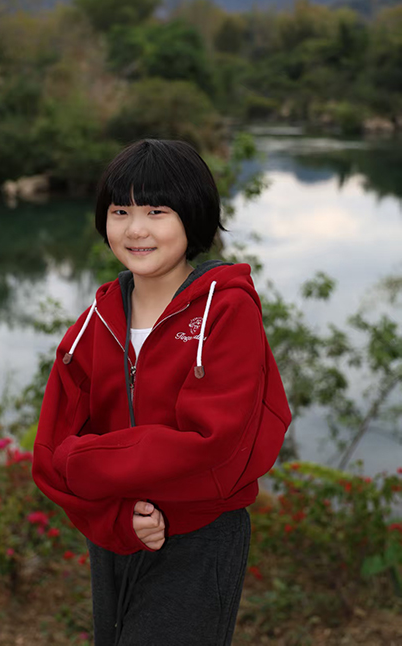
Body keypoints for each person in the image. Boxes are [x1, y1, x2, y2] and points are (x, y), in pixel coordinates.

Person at [32, 138, 291, 646]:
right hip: (115, 534)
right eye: (120, 211)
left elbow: (214, 441)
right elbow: (48, 455)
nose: (135, 229)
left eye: (156, 211)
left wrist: (86, 463)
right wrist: (117, 518)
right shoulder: (95, 322)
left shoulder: (225, 310)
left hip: (200, 534)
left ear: (193, 216)